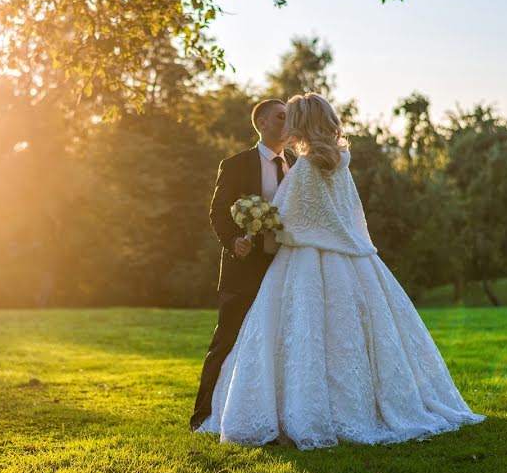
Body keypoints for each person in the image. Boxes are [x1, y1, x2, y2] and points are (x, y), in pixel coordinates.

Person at [196, 93, 486, 448]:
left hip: (302, 263)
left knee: (304, 336)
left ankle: (307, 412)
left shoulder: (302, 167)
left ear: (304, 122)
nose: (288, 125)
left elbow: (287, 220)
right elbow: (347, 215)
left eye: (293, 118)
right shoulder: (338, 161)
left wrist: (264, 221)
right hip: (348, 260)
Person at [190, 99, 297, 431]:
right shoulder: (235, 164)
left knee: (281, 342)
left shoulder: (297, 164)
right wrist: (234, 240)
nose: (288, 122)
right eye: (282, 117)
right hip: (244, 268)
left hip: (287, 267)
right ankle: (203, 415)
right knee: (227, 339)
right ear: (262, 123)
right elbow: (218, 212)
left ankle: (271, 414)